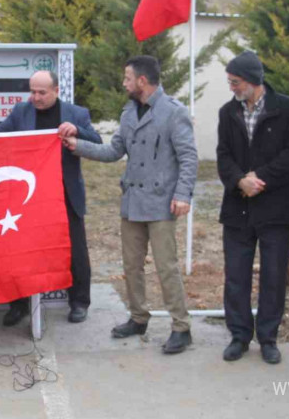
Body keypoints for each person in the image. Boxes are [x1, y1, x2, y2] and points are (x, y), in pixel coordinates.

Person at [63, 55, 197, 354]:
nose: (123, 83)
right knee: (132, 266)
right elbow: (113, 151)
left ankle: (181, 327)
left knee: (166, 267)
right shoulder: (128, 112)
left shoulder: (174, 112)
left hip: (163, 203)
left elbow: (188, 157)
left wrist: (183, 195)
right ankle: (138, 318)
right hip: (133, 201)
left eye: (127, 78)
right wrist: (78, 146)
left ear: (142, 81)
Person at [0, 70, 102, 325]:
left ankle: (79, 302)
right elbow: (0, 133)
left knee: (75, 250)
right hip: (29, 197)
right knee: (21, 251)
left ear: (56, 91)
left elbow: (98, 143)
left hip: (65, 194)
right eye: (32, 91)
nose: (36, 97)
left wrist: (77, 131)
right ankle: (19, 304)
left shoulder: (77, 113)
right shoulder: (20, 112)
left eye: (42, 92)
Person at [215, 51, 289, 364]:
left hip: (275, 208)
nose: (233, 88)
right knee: (236, 275)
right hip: (238, 208)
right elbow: (223, 155)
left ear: (254, 81)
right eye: (230, 82)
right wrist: (240, 181)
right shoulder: (228, 113)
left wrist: (261, 178)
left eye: (236, 82)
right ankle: (239, 336)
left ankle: (268, 337)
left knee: (273, 275)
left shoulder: (288, 110)